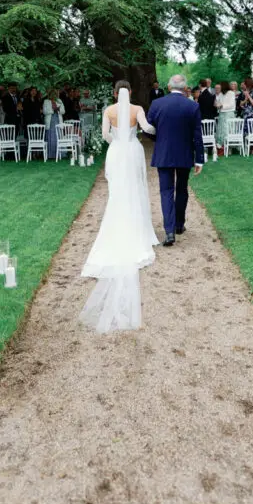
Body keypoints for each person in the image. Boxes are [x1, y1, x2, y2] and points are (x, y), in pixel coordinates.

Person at [79, 82, 158, 333]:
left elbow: (105, 135)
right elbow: (146, 128)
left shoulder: (109, 111)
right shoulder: (137, 109)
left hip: (116, 151)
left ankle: (118, 223)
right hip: (133, 151)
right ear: (130, 92)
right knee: (136, 188)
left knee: (117, 192)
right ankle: (138, 228)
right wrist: (157, 127)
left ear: (115, 93)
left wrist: (117, 141)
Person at [146, 74, 205, 246]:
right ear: (185, 88)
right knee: (181, 189)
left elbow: (148, 130)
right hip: (185, 153)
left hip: (164, 153)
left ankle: (170, 230)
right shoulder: (192, 106)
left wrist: (160, 140)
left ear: (169, 86)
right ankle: (179, 225)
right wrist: (199, 159)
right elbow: (197, 135)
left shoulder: (157, 104)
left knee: (166, 191)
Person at [43, 89, 65, 158]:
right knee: (51, 136)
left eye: (55, 94)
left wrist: (58, 109)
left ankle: (60, 154)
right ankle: (51, 155)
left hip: (58, 120)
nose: (55, 95)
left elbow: (63, 111)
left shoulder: (59, 101)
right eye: (53, 94)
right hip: (50, 121)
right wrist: (53, 109)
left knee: (58, 136)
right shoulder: (46, 101)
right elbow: (44, 111)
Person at [214, 81, 235, 152]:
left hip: (229, 114)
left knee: (228, 130)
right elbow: (218, 102)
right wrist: (217, 105)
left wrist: (222, 105)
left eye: (220, 87)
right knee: (221, 131)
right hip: (222, 114)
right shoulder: (220, 94)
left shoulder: (231, 93)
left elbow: (232, 104)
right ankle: (222, 147)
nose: (219, 89)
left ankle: (229, 148)